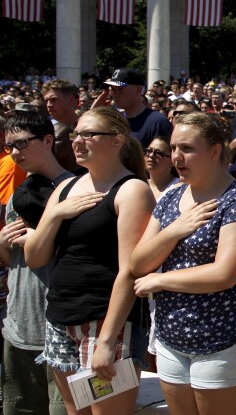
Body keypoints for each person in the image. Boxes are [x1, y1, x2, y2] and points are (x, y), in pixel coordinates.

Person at [130, 112, 236, 415]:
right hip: (170, 336)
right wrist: (176, 229)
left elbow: (224, 274)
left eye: (187, 148)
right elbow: (138, 263)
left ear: (215, 151)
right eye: (174, 148)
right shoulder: (171, 197)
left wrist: (160, 280)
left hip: (223, 340)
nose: (177, 157)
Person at [25, 106, 154, 415]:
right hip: (60, 318)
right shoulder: (66, 188)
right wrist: (55, 214)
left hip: (105, 323)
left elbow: (130, 270)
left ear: (117, 141)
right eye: (75, 134)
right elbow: (35, 257)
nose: (77, 141)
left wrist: (107, 340)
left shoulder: (132, 190)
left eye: (88, 134)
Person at [0, 110, 72, 415]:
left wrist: (41, 237)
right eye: (9, 146)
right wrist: (2, 244)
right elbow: (10, 260)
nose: (15, 153)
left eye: (22, 144)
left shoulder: (74, 190)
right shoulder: (18, 193)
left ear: (47, 139)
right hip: (18, 325)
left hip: (61, 328)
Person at [98, 68, 172, 149]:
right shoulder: (117, 120)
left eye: (120, 89)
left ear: (138, 90)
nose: (115, 94)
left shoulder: (158, 122)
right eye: (113, 89)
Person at [144, 136, 178, 200]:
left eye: (159, 153)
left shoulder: (178, 188)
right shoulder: (140, 185)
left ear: (171, 161)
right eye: (149, 151)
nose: (151, 155)